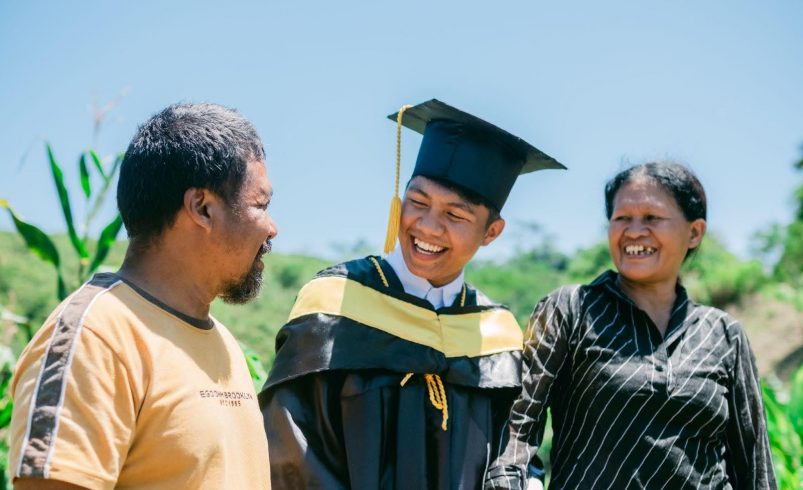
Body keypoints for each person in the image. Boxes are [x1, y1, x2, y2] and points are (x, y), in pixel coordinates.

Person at [259, 99, 565, 489]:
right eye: (417, 203)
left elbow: (514, 453)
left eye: (455, 215)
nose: (428, 226)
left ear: (492, 232)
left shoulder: (497, 335)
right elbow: (292, 448)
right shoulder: (335, 303)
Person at [9, 103, 278, 490]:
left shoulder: (223, 343)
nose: (272, 229)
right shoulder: (95, 339)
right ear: (202, 207)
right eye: (261, 205)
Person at [485, 161, 777, 489]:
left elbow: (754, 467)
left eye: (652, 218)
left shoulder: (724, 335)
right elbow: (516, 429)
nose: (634, 231)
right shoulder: (569, 310)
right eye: (622, 218)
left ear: (694, 232)